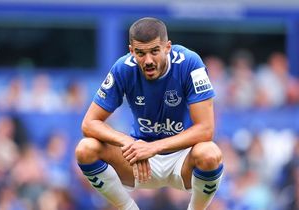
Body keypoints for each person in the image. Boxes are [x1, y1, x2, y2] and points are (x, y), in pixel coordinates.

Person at [75, 17, 223, 210]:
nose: (148, 60)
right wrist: (130, 143)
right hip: (139, 160)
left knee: (210, 153)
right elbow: (89, 123)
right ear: (131, 51)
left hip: (183, 159)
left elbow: (206, 130)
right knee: (85, 149)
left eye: (155, 51)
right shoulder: (123, 68)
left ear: (167, 47)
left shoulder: (190, 63)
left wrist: (154, 148)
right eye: (141, 53)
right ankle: (127, 207)